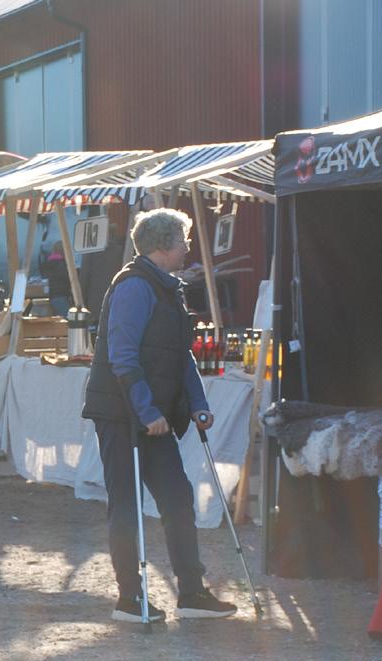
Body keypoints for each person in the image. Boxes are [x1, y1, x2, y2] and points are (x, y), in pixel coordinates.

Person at [82, 208, 237, 623]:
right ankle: (129, 598)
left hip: (155, 417)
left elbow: (181, 354)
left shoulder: (169, 288)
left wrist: (197, 403)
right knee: (126, 505)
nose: (187, 248)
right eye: (183, 240)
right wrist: (147, 411)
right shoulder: (134, 287)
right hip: (122, 415)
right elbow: (123, 355)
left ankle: (191, 592)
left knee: (177, 498)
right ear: (164, 245)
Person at [40, 241, 72, 317]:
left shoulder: (47, 262)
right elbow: (68, 279)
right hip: (62, 295)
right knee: (68, 319)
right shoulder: (62, 264)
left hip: (52, 296)